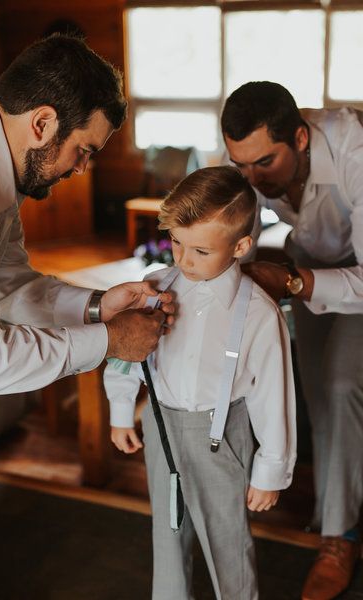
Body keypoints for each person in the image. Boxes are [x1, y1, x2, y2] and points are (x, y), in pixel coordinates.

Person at [0, 34, 176, 598]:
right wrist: (108, 342)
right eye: (84, 150)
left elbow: (9, 286)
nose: (83, 169)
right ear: (42, 123)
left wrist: (96, 306)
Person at [104, 166, 296, 599]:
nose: (183, 261)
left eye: (200, 251)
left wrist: (270, 469)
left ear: (242, 246)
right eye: (176, 242)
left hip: (222, 434)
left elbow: (272, 396)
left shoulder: (259, 314)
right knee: (167, 531)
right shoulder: (153, 289)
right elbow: (124, 354)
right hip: (161, 426)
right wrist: (121, 412)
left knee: (226, 539)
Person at [221, 81, 363, 600]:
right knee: (318, 397)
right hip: (308, 267)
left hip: (359, 277)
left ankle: (338, 540)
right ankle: (339, 512)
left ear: (300, 139)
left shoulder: (354, 150)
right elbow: (237, 231)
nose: (253, 178)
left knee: (344, 382)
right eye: (242, 166)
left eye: (264, 164)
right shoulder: (248, 159)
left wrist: (295, 282)